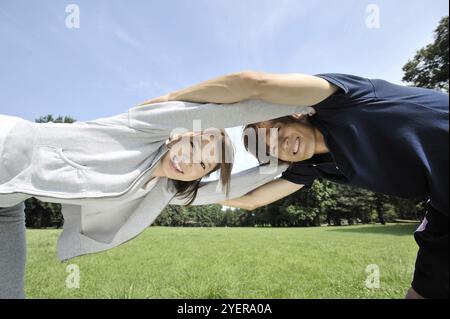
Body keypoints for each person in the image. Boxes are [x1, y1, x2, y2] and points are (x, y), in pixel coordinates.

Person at [145, 71, 449, 299]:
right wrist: (176, 196)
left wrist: (170, 101)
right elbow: (253, 199)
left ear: (295, 114)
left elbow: (254, 84)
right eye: (270, 150)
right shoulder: (311, 166)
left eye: (276, 130)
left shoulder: (343, 101)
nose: (280, 144)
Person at [0, 97, 313, 298]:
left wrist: (280, 163)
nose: (188, 162)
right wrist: (308, 102)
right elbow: (230, 109)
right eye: (191, 146)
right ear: (178, 135)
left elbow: (226, 189)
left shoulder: (162, 191)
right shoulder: (141, 131)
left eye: (201, 164)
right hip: (6, 147)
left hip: (8, 203)